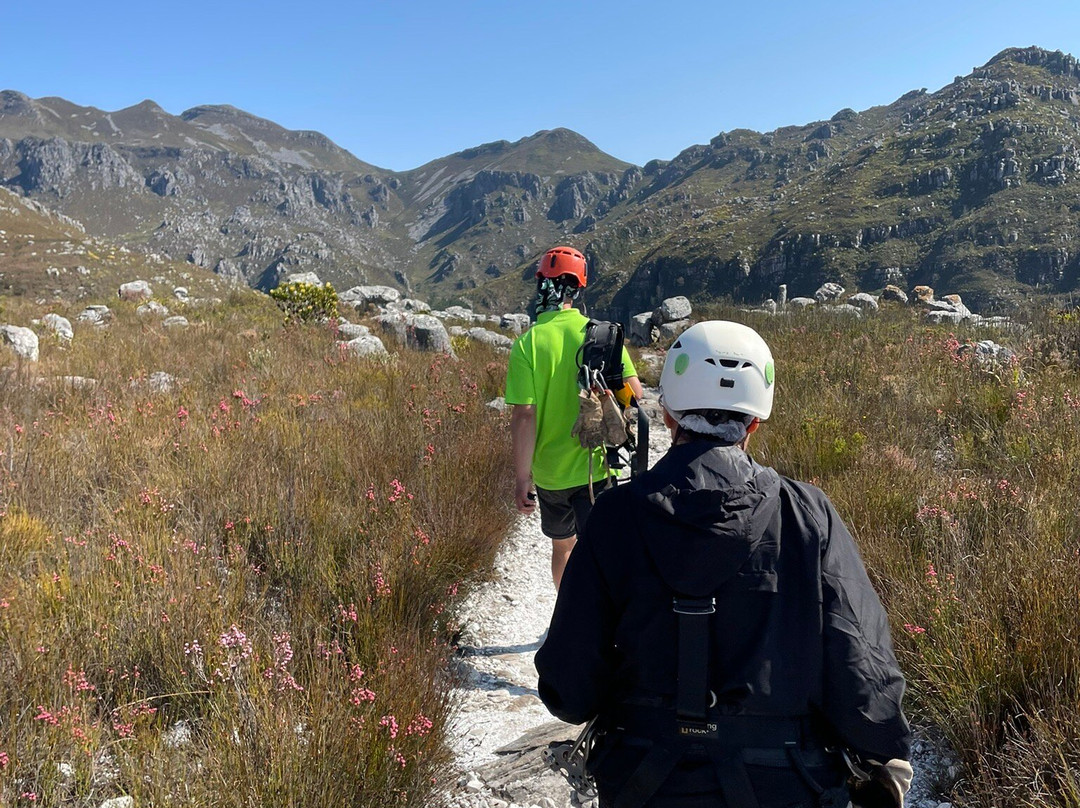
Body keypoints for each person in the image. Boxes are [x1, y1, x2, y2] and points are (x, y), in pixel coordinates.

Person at [535, 320, 913, 808]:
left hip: (642, 784)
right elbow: (863, 670)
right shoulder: (807, 515)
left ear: (669, 414)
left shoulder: (614, 516)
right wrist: (883, 762)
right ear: (755, 421)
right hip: (785, 785)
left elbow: (569, 688)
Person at [505, 246, 644, 590]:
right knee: (601, 547)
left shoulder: (527, 344)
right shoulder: (603, 335)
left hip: (551, 474)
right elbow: (636, 395)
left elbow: (525, 416)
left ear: (541, 284)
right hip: (598, 465)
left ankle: (569, 621)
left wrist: (523, 478)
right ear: (579, 287)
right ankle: (604, 624)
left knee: (563, 547)